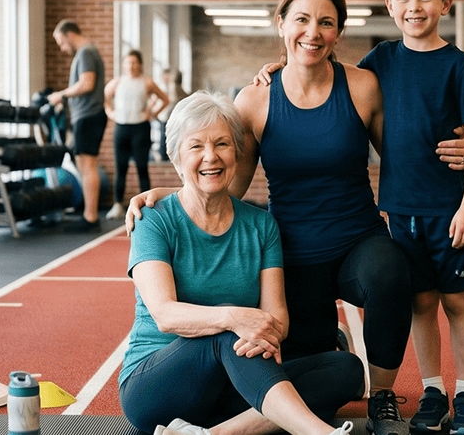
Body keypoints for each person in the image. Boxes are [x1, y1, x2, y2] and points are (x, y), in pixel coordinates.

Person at [135, 0, 464, 435]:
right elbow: (229, 181)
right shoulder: (254, 99)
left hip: (358, 237)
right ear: (281, 25)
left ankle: (383, 399)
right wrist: (170, 197)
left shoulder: (362, 86)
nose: (312, 33)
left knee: (392, 272)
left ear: (338, 32)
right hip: (289, 250)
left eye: (326, 22)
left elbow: (403, 157)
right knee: (304, 373)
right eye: (302, 20)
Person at [120, 92, 359, 435]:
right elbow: (165, 314)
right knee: (225, 333)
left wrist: (257, 328)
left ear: (238, 152)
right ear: (175, 158)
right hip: (156, 391)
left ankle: (214, 433)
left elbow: (278, 321)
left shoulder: (261, 225)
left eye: (222, 144)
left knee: (344, 368)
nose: (210, 156)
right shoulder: (153, 220)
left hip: (233, 384)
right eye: (196, 147)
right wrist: (233, 317)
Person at [360, 0, 464, 435]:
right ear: (390, 6)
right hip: (402, 209)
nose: (414, 7)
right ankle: (434, 390)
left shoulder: (459, 65)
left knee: (457, 303)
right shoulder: (379, 61)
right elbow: (333, 81)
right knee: (420, 303)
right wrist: (276, 65)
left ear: (446, 3)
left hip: (449, 209)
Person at [49, 19, 107, 232]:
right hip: (88, 115)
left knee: (88, 165)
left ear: (69, 34)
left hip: (89, 115)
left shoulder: (85, 53)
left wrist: (60, 95)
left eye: (61, 42)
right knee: (84, 165)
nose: (63, 49)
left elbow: (87, 83)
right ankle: (88, 215)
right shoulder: (88, 52)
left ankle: (90, 218)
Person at [105, 50, 171, 220]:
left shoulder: (146, 82)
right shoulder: (117, 82)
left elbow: (165, 99)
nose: (131, 66)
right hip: (121, 128)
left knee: (142, 168)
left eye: (134, 62)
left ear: (139, 64)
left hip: (140, 129)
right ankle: (118, 204)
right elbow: (104, 97)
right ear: (124, 65)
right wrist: (110, 112)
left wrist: (153, 114)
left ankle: (145, 206)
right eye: (128, 62)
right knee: (121, 168)